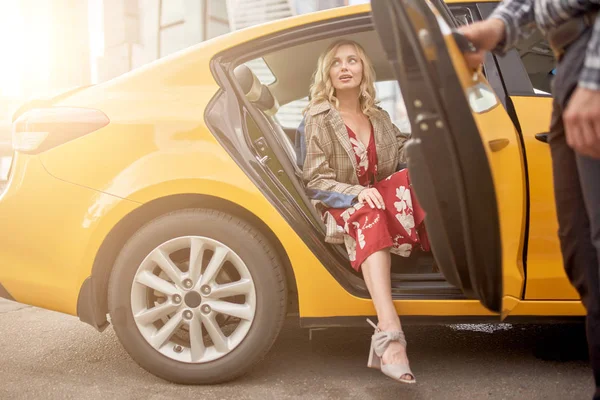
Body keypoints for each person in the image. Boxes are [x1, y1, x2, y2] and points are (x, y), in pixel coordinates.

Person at [459, 3, 600, 398]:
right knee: (582, 252)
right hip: (571, 64)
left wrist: (594, 80)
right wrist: (500, 25)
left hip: (590, 64)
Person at [301, 39, 431, 384]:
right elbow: (315, 181)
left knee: (424, 180)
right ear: (327, 72)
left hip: (378, 196)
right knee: (370, 212)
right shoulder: (318, 118)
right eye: (336, 62)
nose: (345, 67)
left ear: (363, 70)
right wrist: (358, 193)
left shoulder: (379, 116)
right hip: (343, 205)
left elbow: (403, 154)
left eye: (353, 61)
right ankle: (390, 333)